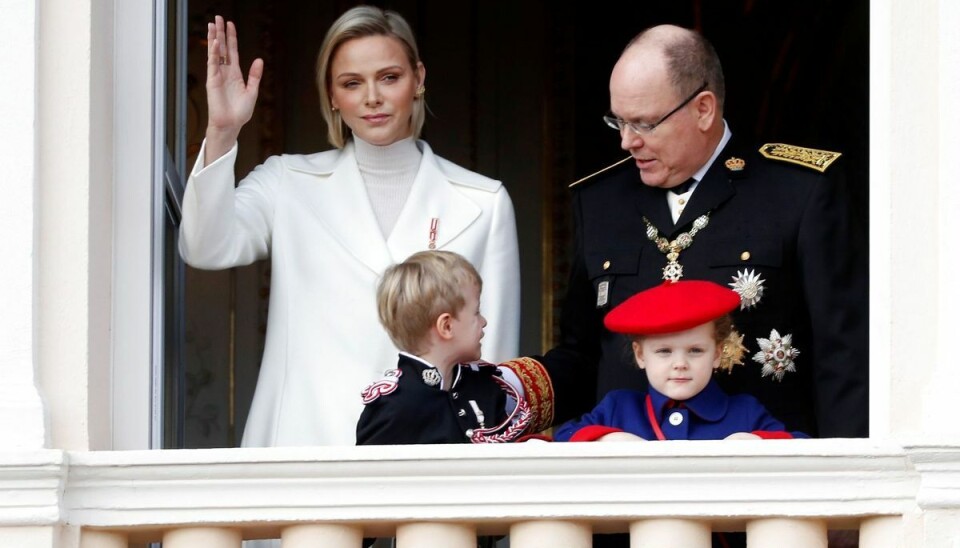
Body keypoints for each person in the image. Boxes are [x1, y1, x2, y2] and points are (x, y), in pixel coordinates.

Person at [179, 6, 522, 448]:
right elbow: (204, 246)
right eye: (352, 83)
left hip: (430, 457)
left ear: (418, 79)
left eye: (389, 77)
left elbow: (494, 366)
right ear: (332, 95)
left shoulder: (484, 201)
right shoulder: (288, 183)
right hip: (302, 448)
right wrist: (223, 131)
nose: (372, 97)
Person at [505, 24, 868, 439]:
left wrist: (842, 481)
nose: (626, 142)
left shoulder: (798, 192)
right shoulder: (601, 201)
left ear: (703, 109)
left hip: (762, 478)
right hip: (623, 481)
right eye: (618, 122)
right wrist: (511, 390)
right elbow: (584, 355)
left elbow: (844, 358)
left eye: (643, 123)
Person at [554, 280, 806, 442]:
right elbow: (562, 439)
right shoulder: (617, 408)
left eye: (695, 350)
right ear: (640, 355)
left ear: (717, 354)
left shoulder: (745, 412)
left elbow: (802, 449)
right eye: (664, 351)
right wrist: (603, 439)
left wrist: (756, 443)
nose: (680, 363)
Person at [357, 250, 533, 445]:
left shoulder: (484, 387)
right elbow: (368, 473)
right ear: (447, 326)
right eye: (476, 313)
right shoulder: (395, 405)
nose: (483, 322)